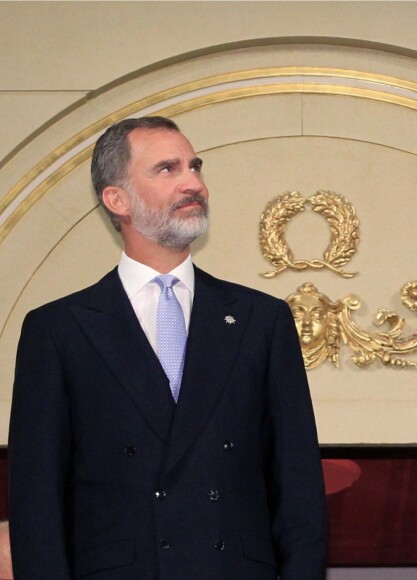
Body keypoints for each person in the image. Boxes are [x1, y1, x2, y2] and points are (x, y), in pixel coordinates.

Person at [8, 116, 326, 579]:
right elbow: (37, 503)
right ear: (117, 199)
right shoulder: (59, 330)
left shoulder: (261, 320)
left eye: (194, 167)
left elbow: (298, 487)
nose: (193, 183)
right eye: (167, 169)